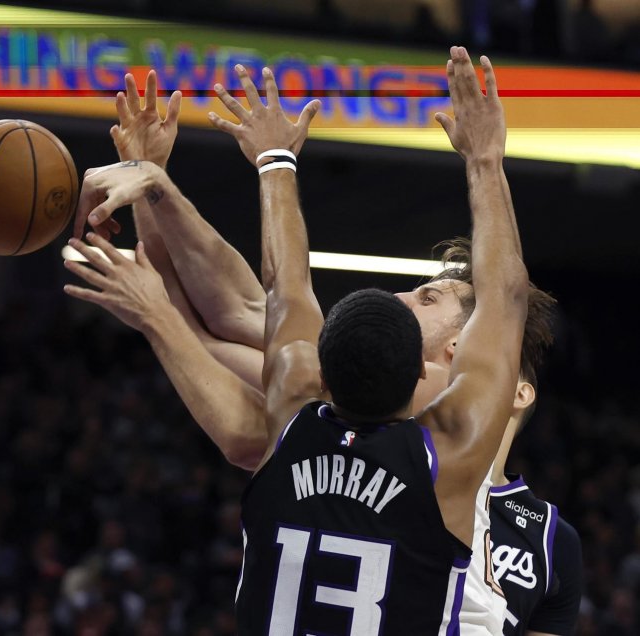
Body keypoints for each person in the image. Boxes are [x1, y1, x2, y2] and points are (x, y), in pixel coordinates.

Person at [64, 51, 578, 632]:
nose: (401, 300)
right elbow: (229, 313)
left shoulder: (304, 411)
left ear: (454, 353)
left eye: (428, 298)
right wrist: (155, 192)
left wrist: (198, 184)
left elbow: (268, 303)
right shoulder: (446, 438)